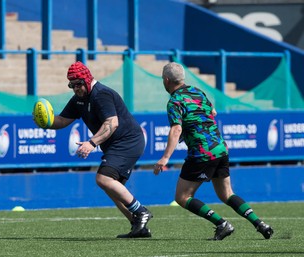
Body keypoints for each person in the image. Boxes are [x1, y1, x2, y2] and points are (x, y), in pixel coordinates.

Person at [154, 62, 274, 240]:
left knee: (182, 197)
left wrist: (165, 158)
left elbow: (176, 129)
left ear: (166, 80)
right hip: (220, 148)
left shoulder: (174, 101)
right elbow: (214, 112)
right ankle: (260, 224)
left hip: (202, 152)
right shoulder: (197, 91)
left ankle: (222, 224)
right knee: (227, 194)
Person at [38, 61, 152, 238]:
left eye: (78, 84)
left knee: (103, 178)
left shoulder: (101, 94)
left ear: (86, 79)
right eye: (71, 85)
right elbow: (62, 120)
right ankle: (139, 227)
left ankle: (140, 211)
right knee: (112, 187)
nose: (75, 88)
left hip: (128, 141)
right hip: (117, 144)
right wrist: (46, 122)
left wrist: (91, 143)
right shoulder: (79, 99)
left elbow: (112, 123)